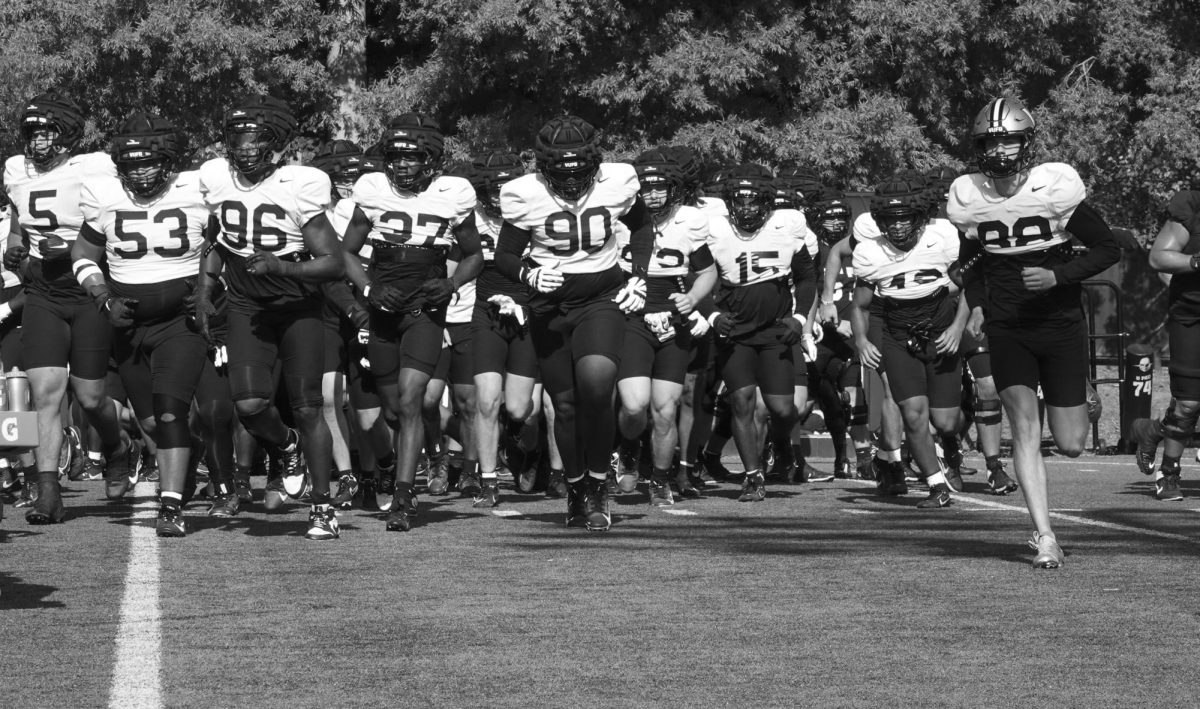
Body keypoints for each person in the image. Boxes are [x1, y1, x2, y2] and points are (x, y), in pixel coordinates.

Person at [948, 97, 1121, 568]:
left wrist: (1059, 276)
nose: (1000, 149)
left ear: (1026, 141)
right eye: (991, 140)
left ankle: (1074, 391)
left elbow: (1108, 249)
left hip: (1060, 322)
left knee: (1070, 444)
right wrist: (978, 303)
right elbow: (972, 262)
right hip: (1008, 325)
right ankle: (1044, 536)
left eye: (1008, 138)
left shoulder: (1054, 186)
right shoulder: (969, 195)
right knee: (1023, 426)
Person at [195, 95, 345, 540]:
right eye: (237, 138)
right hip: (246, 303)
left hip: (297, 305)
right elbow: (218, 243)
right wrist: (204, 292)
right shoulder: (216, 179)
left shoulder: (298, 184)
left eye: (254, 140)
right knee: (249, 405)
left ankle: (322, 509)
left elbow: (334, 263)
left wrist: (283, 266)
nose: (243, 148)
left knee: (307, 406)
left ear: (277, 145)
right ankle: (288, 446)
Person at [495, 115, 654, 531]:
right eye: (560, 173)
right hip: (549, 305)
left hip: (601, 297)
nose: (571, 183)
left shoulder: (616, 182)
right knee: (563, 405)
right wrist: (528, 274)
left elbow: (642, 227)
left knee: (598, 383)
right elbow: (505, 255)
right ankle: (576, 486)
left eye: (579, 173)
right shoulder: (524, 193)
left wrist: (638, 274)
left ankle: (600, 483)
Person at [341, 113, 482, 533]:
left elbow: (474, 255)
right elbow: (346, 253)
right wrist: (368, 289)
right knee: (389, 411)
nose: (402, 165)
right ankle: (389, 465)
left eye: (411, 157)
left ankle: (403, 495)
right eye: (396, 157)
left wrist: (452, 282)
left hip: (425, 308)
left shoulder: (452, 194)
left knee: (410, 399)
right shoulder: (373, 192)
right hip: (384, 308)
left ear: (431, 160)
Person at [73, 113, 211, 536]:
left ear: (169, 160)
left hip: (179, 322)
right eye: (131, 164)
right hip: (129, 325)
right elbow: (81, 255)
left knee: (170, 414)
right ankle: (191, 454)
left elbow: (224, 245)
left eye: (149, 162)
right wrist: (102, 297)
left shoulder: (198, 191)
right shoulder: (105, 195)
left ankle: (169, 507)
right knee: (150, 422)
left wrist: (207, 290)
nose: (141, 171)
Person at [4, 90, 134, 524]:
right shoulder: (15, 171)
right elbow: (20, 220)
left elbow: (117, 216)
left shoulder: (95, 168)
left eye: (48, 132)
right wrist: (17, 248)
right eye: (33, 132)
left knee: (91, 395)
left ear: (69, 134)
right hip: (43, 292)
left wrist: (78, 248)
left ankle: (118, 446)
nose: (39, 141)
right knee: (45, 393)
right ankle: (48, 493)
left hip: (87, 289)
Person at [850, 176, 967, 509]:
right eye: (891, 218)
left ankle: (951, 445)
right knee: (913, 414)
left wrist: (958, 327)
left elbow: (972, 287)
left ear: (919, 216)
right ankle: (935, 484)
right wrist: (861, 339)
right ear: (880, 221)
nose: (898, 225)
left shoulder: (942, 238)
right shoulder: (871, 251)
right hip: (897, 336)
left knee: (945, 421)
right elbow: (859, 305)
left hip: (941, 330)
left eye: (904, 217)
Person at [704, 163, 818, 502]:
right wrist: (711, 314)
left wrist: (799, 317)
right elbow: (696, 277)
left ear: (767, 202)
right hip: (735, 331)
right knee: (741, 401)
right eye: (739, 202)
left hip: (775, 331)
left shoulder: (787, 228)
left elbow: (807, 277)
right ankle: (753, 477)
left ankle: (780, 443)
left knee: (784, 410)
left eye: (753, 202)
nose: (746, 208)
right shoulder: (715, 230)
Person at [615, 148, 715, 506]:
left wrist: (693, 299)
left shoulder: (689, 220)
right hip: (632, 318)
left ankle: (659, 479)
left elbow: (707, 271)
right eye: (647, 187)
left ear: (675, 188)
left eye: (661, 187)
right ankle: (627, 448)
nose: (654, 194)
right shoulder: (619, 218)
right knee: (633, 405)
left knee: (665, 408)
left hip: (674, 323)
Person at [1131, 187, 1200, 501]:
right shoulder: (1192, 204)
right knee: (1189, 402)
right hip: (1193, 316)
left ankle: (1155, 429)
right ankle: (1169, 471)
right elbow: (1159, 256)